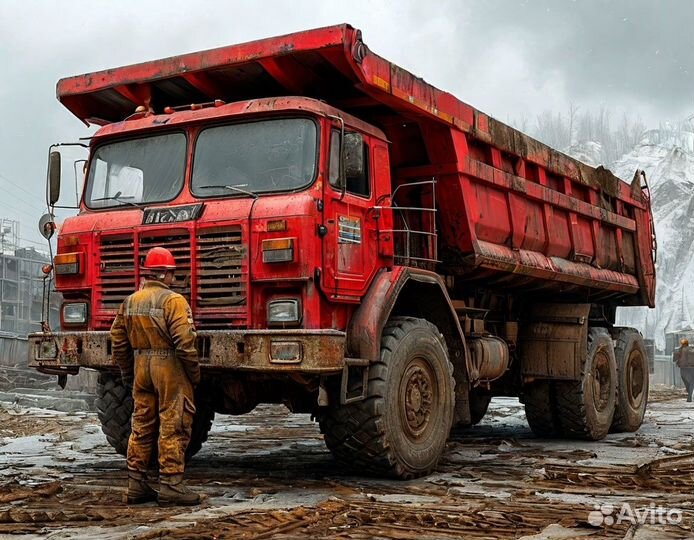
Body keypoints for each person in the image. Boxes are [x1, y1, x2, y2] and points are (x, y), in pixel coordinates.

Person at [110, 246, 201, 506]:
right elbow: (184, 342)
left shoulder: (130, 301)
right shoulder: (174, 301)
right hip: (169, 368)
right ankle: (172, 485)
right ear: (163, 275)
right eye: (171, 273)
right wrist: (193, 373)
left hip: (141, 367)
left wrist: (128, 371)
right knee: (174, 424)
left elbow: (117, 339)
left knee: (141, 426)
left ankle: (136, 484)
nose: (173, 278)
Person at [673, 338, 694, 403]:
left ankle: (689, 394)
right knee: (691, 382)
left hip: (683, 368)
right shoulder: (692, 349)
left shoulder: (679, 350)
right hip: (691, 367)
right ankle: (689, 395)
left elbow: (674, 359)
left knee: (686, 381)